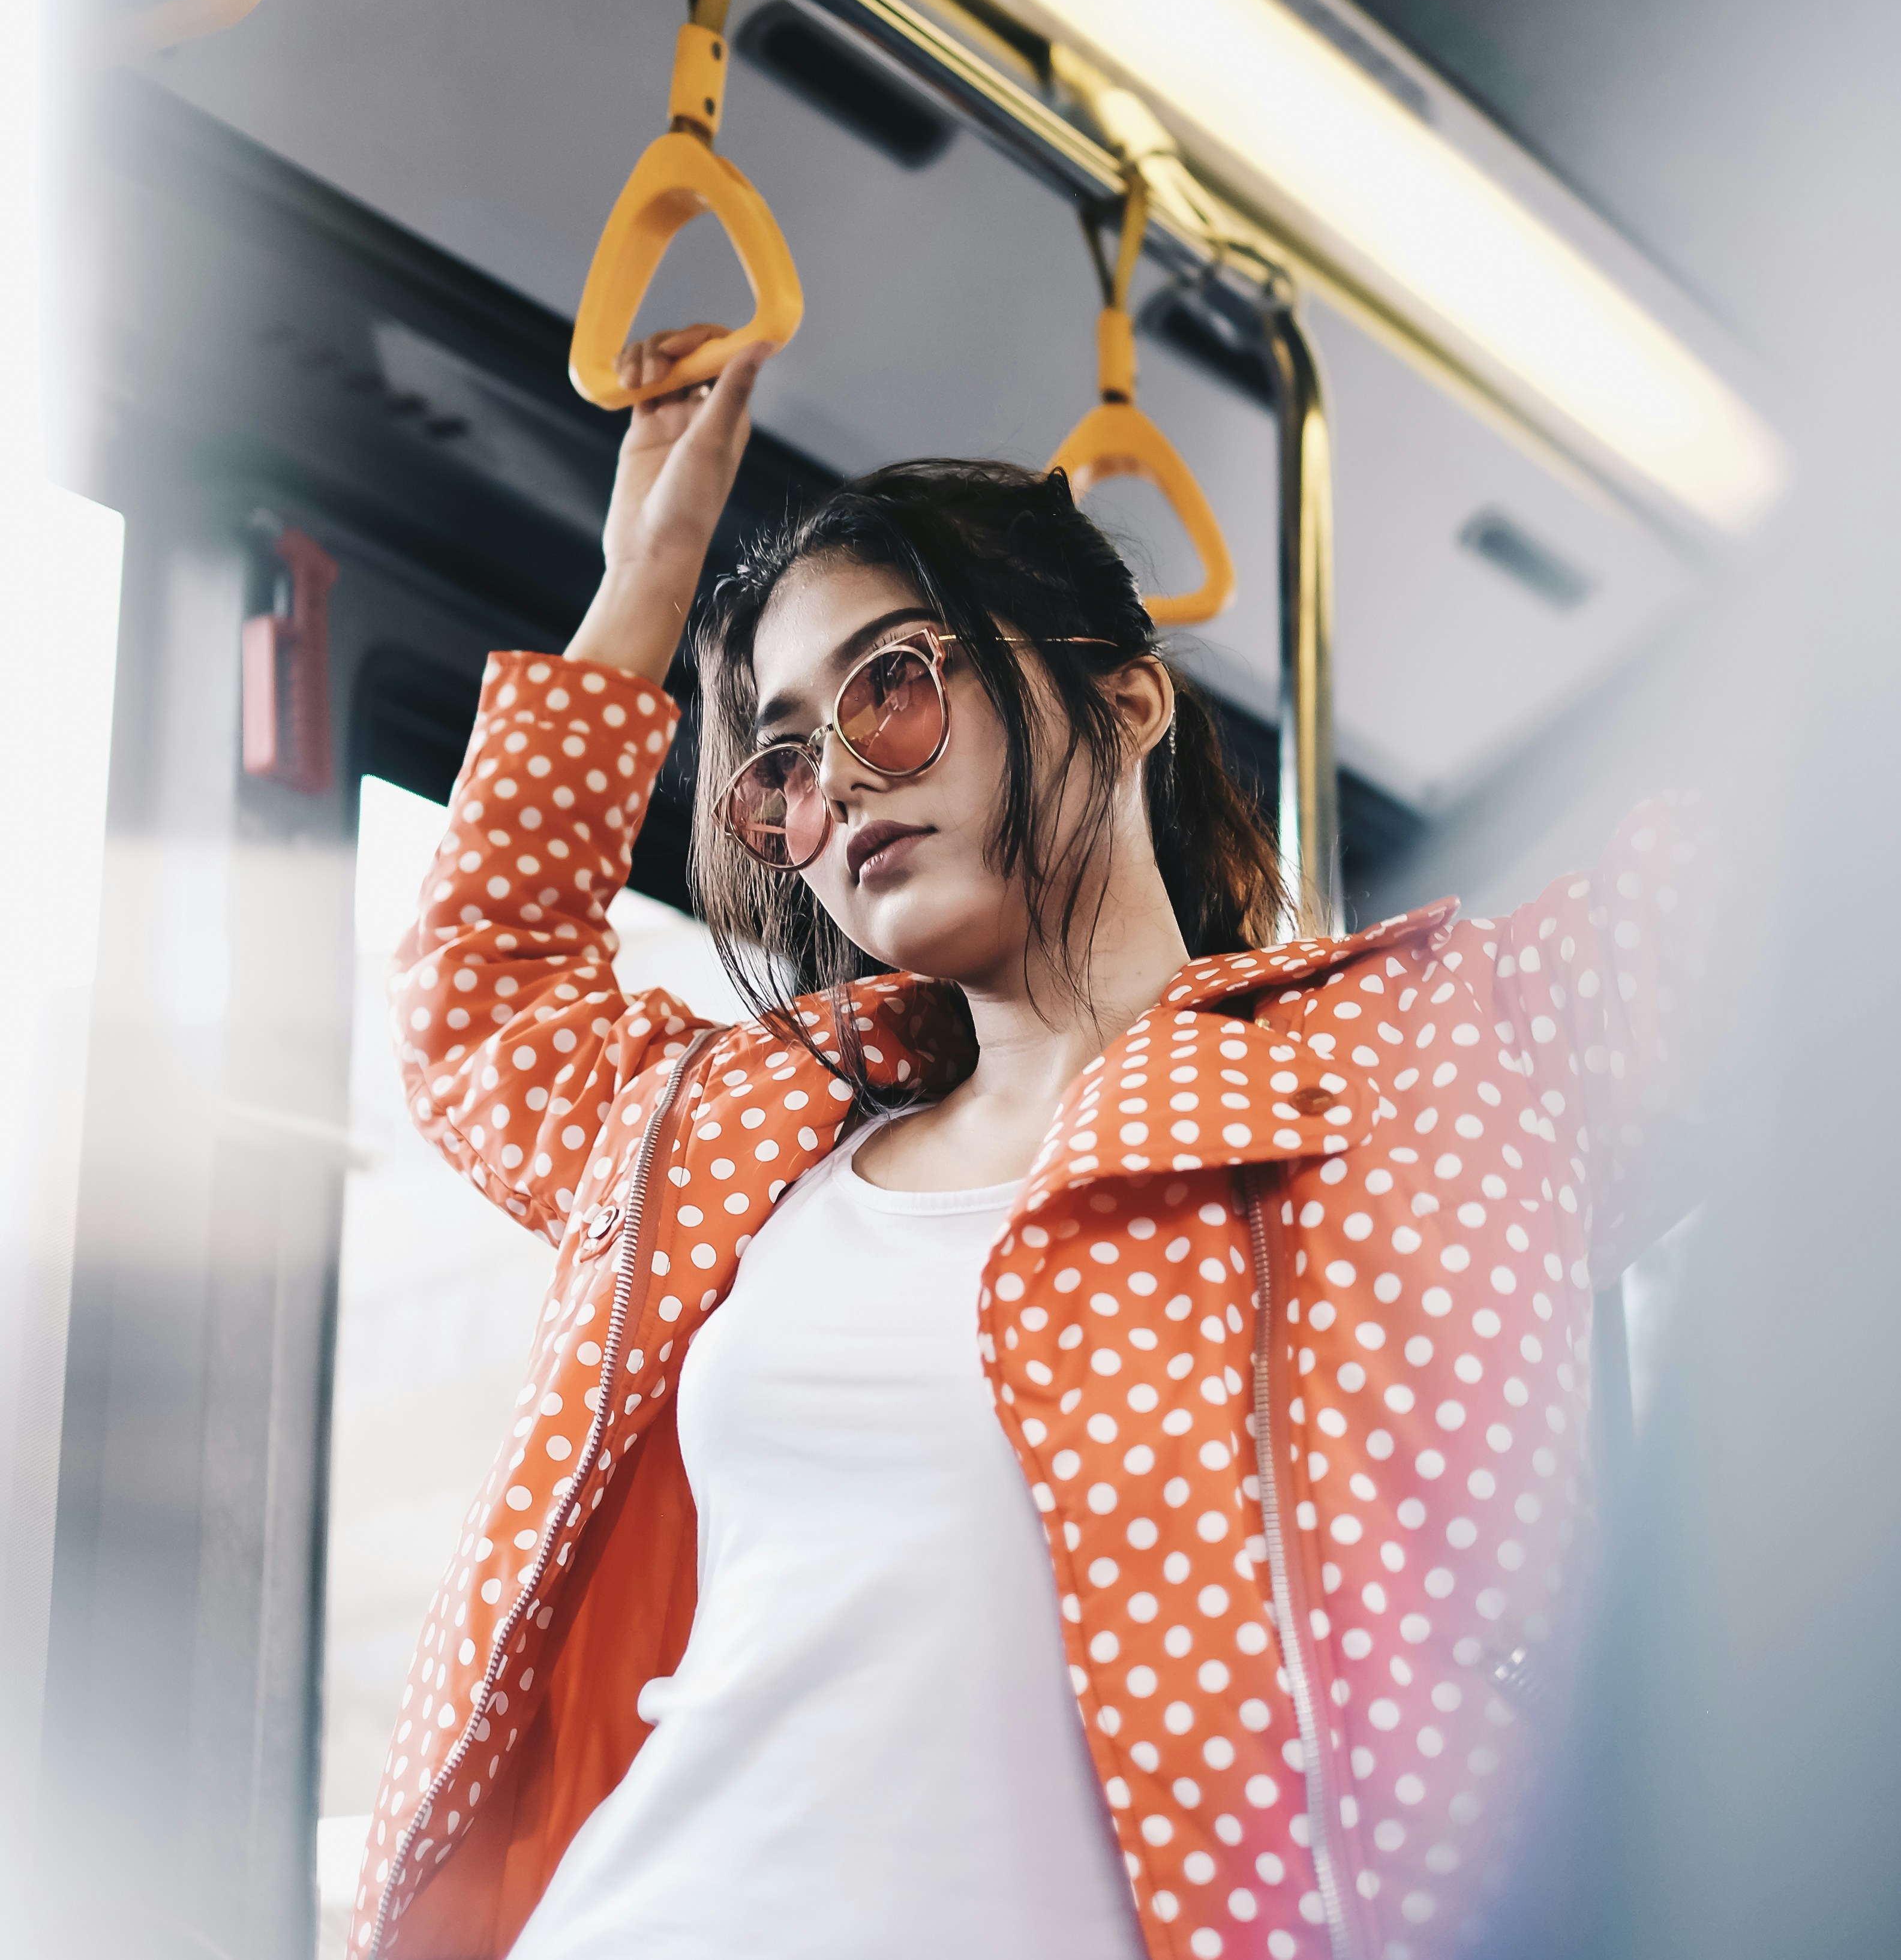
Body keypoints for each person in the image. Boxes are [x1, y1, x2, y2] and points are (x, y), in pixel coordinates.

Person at [350, 331, 1709, 1960]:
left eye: (894, 688)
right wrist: (642, 580)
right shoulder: (736, 1140)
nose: (836, 781)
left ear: (1123, 693)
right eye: (781, 760)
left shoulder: (1427, 1069)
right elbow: (486, 995)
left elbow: (1800, 877)